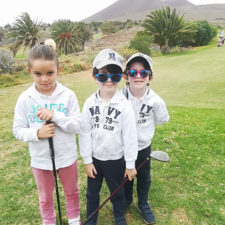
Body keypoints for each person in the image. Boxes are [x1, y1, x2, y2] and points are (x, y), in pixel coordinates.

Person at [13, 43, 81, 225]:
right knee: (45, 197)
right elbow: (18, 130)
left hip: (67, 156)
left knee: (72, 192)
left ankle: (74, 219)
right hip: (41, 160)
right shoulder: (25, 98)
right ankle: (49, 221)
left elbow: (76, 125)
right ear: (29, 71)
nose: (44, 79)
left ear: (58, 69)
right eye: (38, 74)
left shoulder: (68, 95)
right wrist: (37, 133)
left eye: (50, 73)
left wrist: (56, 116)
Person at [79, 49, 138, 225]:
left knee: (117, 191)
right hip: (95, 159)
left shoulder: (124, 105)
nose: (109, 81)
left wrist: (130, 164)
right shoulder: (89, 102)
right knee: (92, 193)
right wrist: (87, 160)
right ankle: (91, 219)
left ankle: (119, 216)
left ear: (122, 76)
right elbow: (84, 132)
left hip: (115, 159)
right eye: (103, 76)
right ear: (94, 76)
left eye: (115, 76)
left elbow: (130, 136)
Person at [122, 53, 169, 224]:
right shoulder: (119, 97)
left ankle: (143, 203)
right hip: (124, 147)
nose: (139, 76)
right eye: (133, 73)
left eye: (144, 73)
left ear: (150, 77)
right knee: (126, 175)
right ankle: (127, 199)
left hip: (143, 146)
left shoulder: (155, 101)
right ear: (126, 76)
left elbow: (162, 119)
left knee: (144, 176)